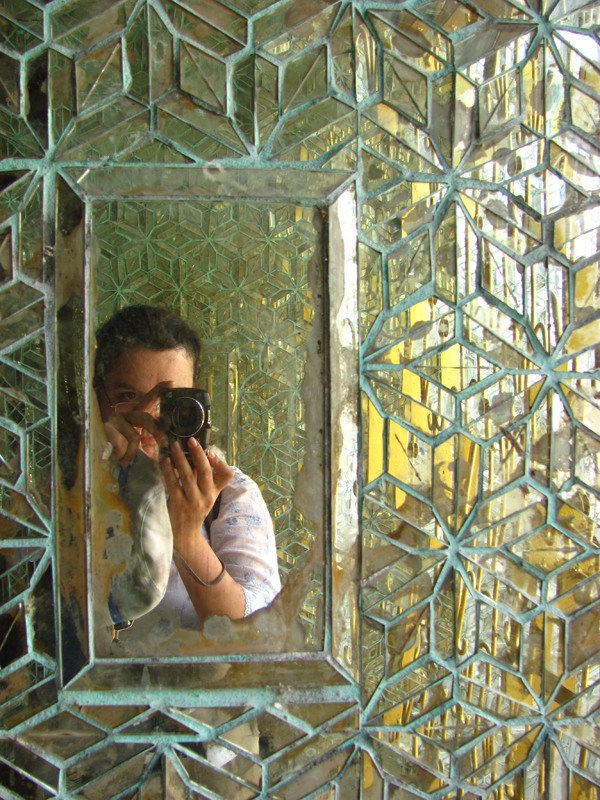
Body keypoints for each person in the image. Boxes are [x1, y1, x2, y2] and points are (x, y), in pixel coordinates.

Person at [93, 304, 281, 637]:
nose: (149, 416)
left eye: (170, 402)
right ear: (97, 395)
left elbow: (256, 634)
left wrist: (187, 535)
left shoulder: (228, 492)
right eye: (128, 396)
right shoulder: (73, 481)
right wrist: (95, 465)